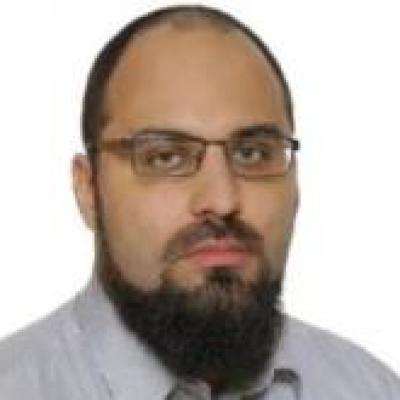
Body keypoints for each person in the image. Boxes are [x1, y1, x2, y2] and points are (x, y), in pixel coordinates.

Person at [0, 4, 399, 399]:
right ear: (88, 189)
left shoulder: (370, 389)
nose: (222, 200)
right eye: (165, 157)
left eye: (253, 153)